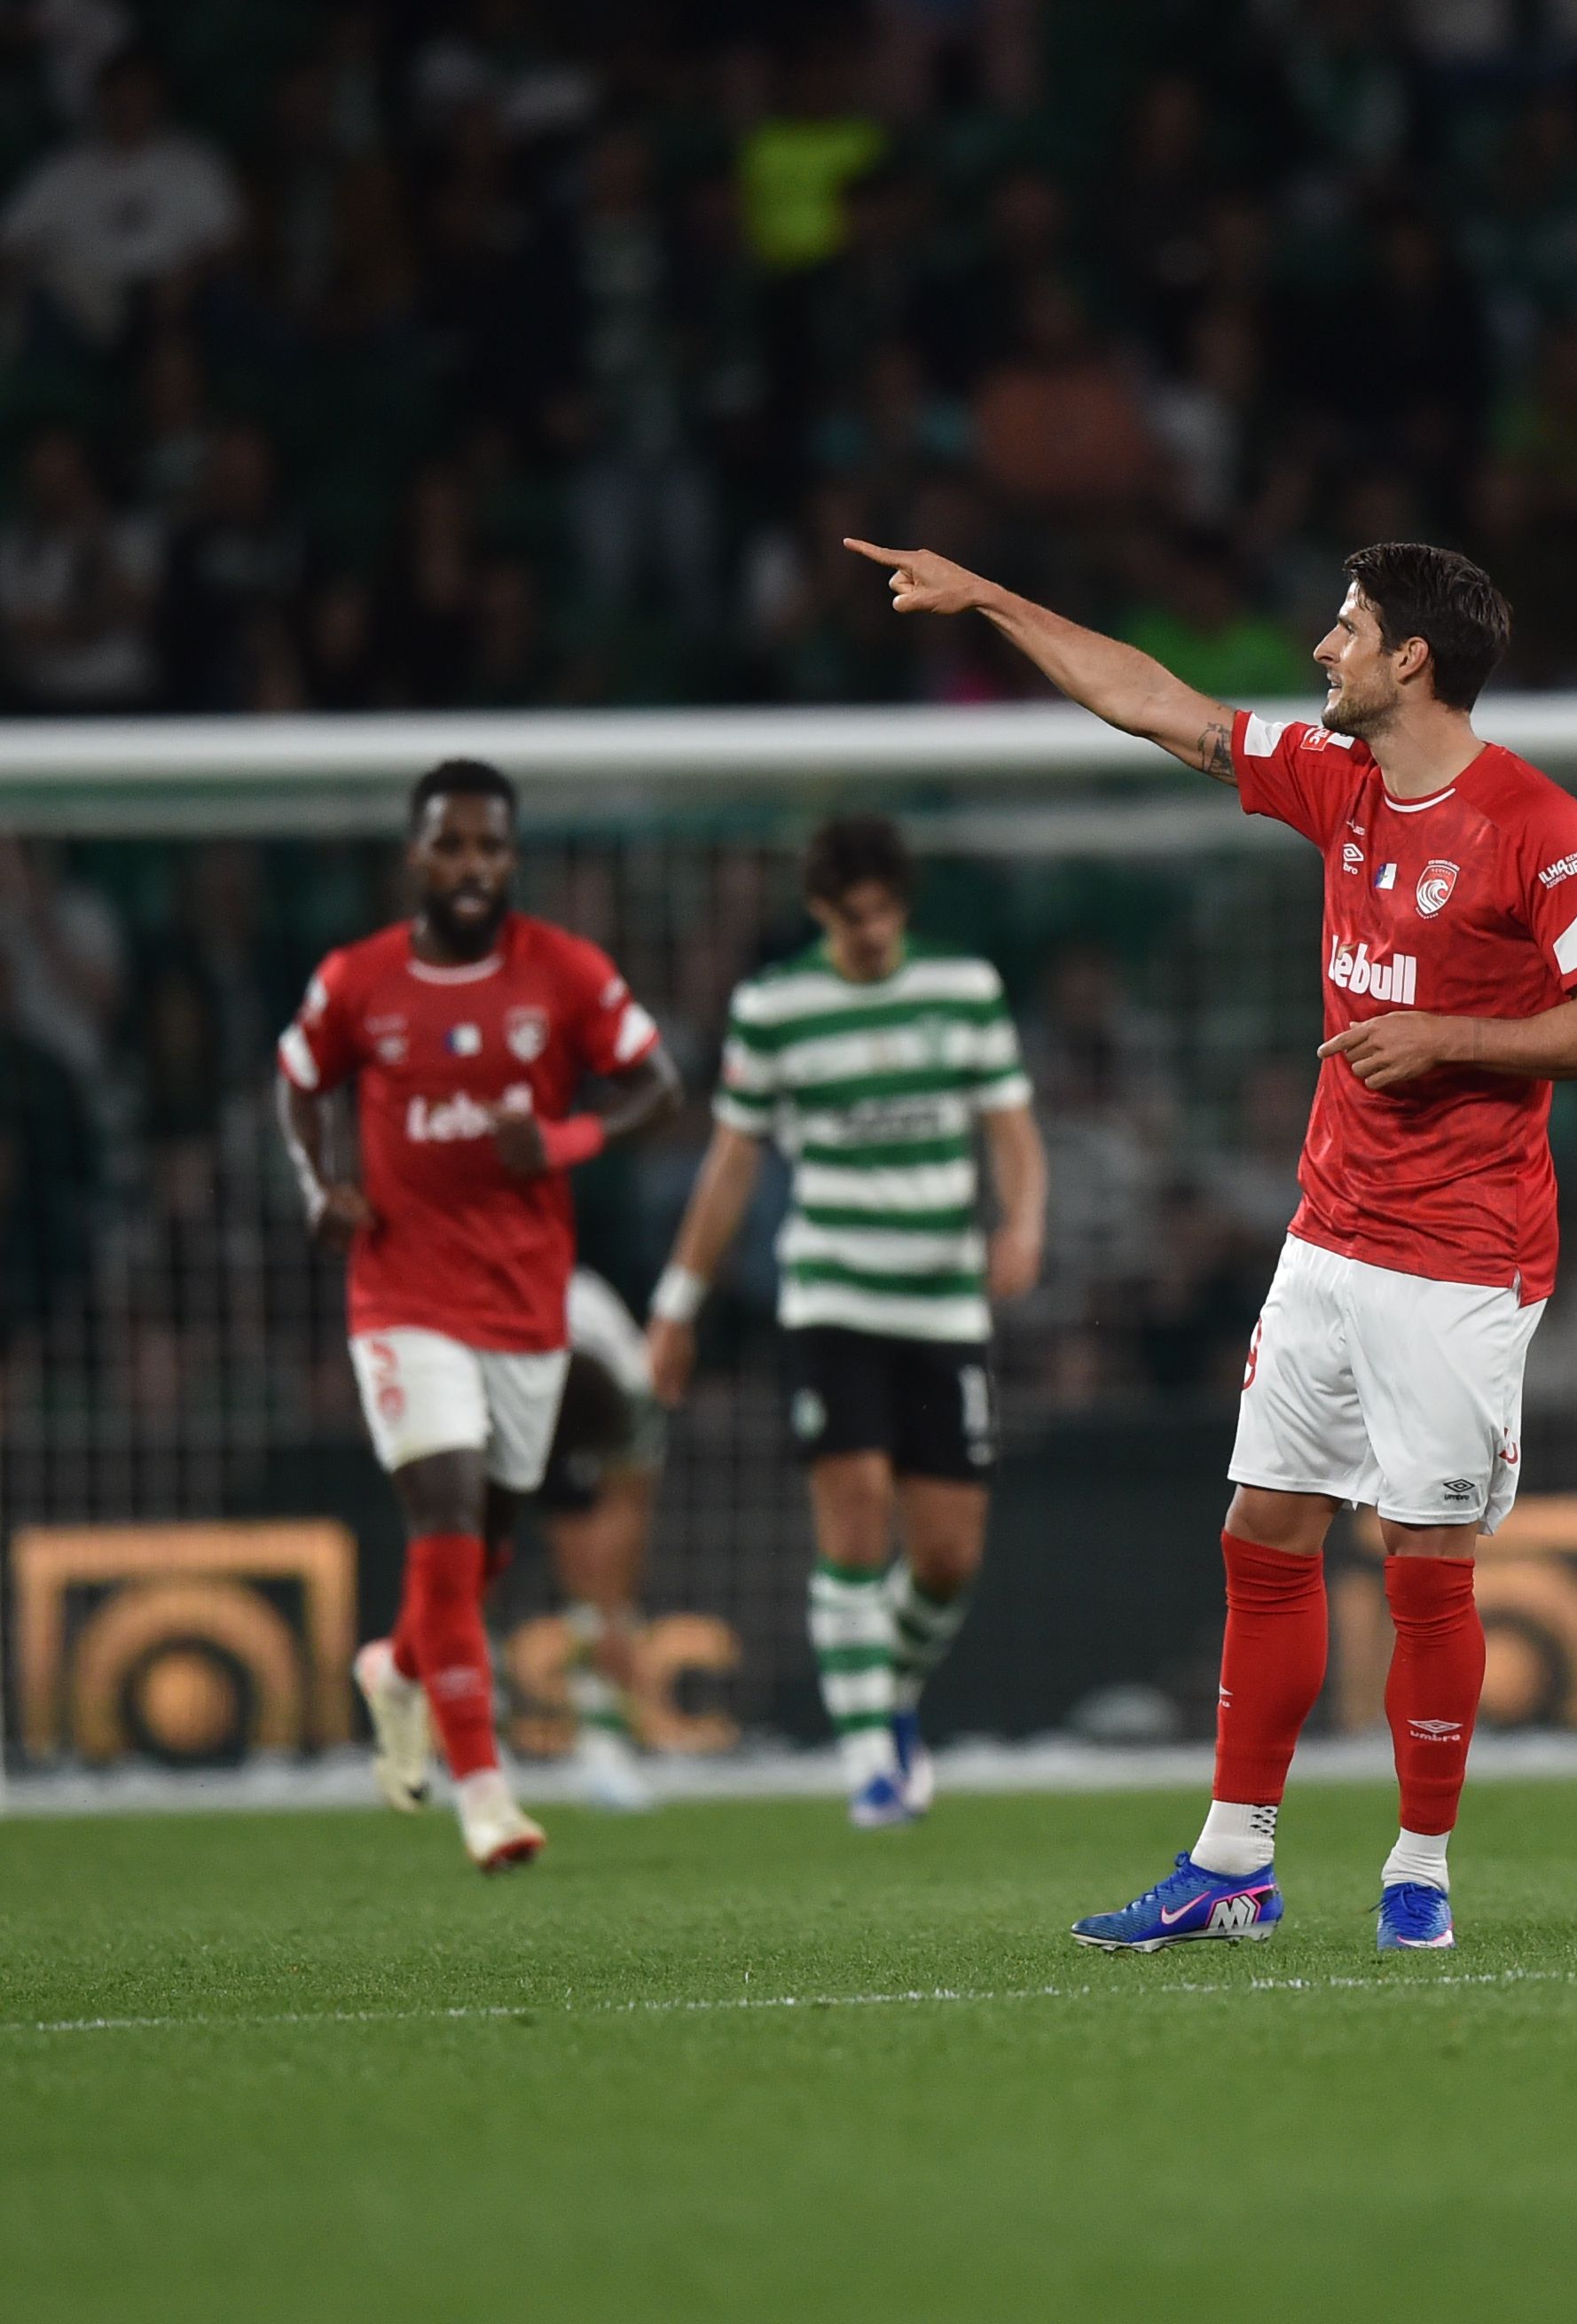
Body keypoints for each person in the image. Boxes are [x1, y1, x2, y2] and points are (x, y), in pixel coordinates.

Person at [846, 532, 1577, 1953]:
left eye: (1345, 627)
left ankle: (1420, 1867)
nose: (1322, 648)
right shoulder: (1338, 782)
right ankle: (1236, 1862)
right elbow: (1158, 705)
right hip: (1328, 1239)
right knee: (1264, 1532)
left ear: (1412, 657)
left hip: (1462, 1259)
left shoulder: (1540, 826)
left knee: (1425, 1559)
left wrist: (1452, 1037)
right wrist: (990, 595)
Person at [273, 759, 679, 1872]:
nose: (469, 867)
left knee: (485, 1550)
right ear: (416, 853)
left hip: (524, 1302)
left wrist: (560, 1141)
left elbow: (657, 1084)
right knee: (446, 1520)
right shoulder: (359, 979)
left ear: (511, 856)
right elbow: (298, 1074)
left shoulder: (565, 970)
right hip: (401, 1295)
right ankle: (486, 1791)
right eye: (449, 846)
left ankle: (396, 1669)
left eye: (489, 847)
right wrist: (320, 1187)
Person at [647, 814, 1047, 1830]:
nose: (869, 931)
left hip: (941, 1298)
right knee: (857, 1506)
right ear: (821, 911)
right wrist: (677, 1303)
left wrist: (1025, 1222)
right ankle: (872, 1762)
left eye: (883, 911)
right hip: (831, 1295)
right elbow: (732, 1163)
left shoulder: (963, 991)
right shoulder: (776, 1008)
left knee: (949, 1553)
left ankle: (886, 1690)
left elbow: (1012, 1132)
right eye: (849, 914)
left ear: (902, 902)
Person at [535, 1266, 667, 1811]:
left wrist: (612, 1611)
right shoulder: (482, 1370)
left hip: (580, 1396)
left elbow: (628, 1502)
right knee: (466, 1569)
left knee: (599, 1596)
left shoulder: (633, 1384)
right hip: (499, 1395)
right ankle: (469, 1750)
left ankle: (604, 1748)